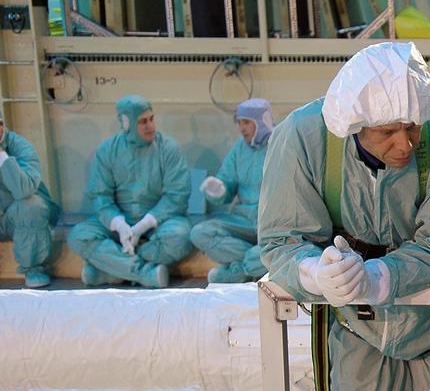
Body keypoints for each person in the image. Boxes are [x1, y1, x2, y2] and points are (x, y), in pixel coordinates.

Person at [258, 41, 430, 391]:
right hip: (356, 331)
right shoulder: (302, 138)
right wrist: (315, 273)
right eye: (387, 132)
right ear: (354, 126)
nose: (406, 144)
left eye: (412, 127)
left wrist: (378, 278)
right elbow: (281, 239)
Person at [69, 95, 192, 287]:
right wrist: (118, 224)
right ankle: (144, 273)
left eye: (151, 119)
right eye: (142, 122)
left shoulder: (168, 149)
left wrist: (143, 226)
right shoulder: (107, 151)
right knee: (78, 236)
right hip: (120, 222)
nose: (150, 126)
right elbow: (101, 196)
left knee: (181, 237)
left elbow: (177, 196)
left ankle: (110, 272)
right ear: (126, 124)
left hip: (160, 222)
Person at [191, 99, 273, 283]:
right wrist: (219, 189)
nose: (242, 128)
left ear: (261, 122)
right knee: (199, 233)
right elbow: (227, 181)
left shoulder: (280, 145)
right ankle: (253, 263)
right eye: (239, 123)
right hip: (242, 219)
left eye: (246, 123)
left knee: (278, 248)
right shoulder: (239, 148)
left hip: (271, 220)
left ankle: (236, 271)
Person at [0, 114, 60, 287]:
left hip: (22, 218)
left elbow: (23, 190)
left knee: (30, 205)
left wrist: (2, 157)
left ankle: (34, 267)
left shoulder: (20, 146)